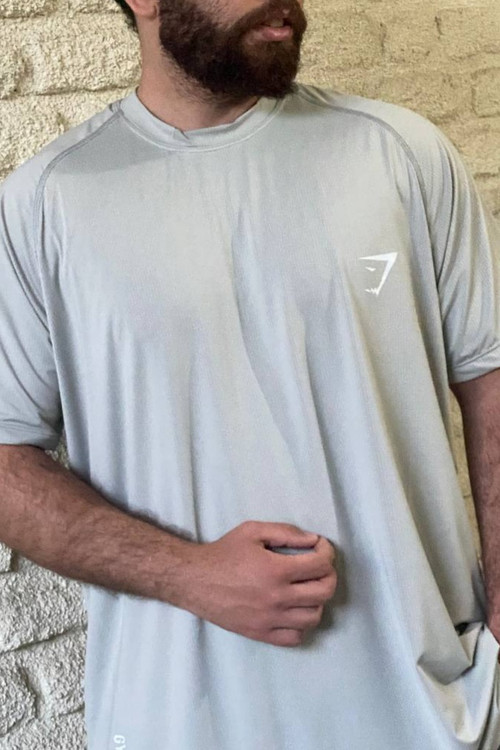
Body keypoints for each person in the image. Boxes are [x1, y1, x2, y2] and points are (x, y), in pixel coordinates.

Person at [0, 0, 499, 747]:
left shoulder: (399, 152)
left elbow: (490, 376)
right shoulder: (46, 203)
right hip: (180, 719)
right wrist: (185, 573)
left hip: (425, 710)